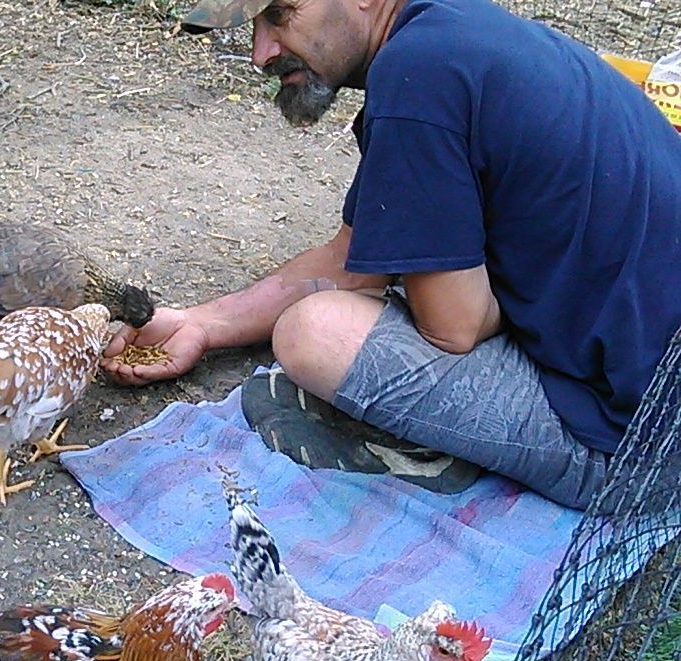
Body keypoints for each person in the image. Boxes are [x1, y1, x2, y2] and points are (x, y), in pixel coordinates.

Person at [100, 0, 681, 509]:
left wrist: (458, 287)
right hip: (655, 393)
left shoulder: (417, 76)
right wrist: (202, 323)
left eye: (280, 15)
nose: (261, 53)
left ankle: (427, 448)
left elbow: (455, 326)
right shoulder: (451, 32)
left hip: (640, 456)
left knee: (315, 332)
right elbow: (354, 260)